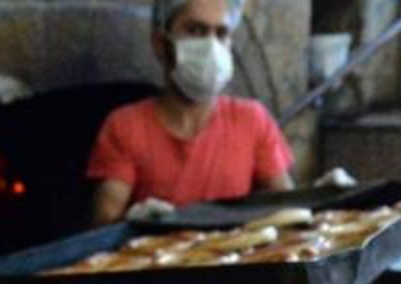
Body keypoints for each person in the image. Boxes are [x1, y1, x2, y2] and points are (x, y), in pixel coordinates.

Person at [87, 0, 295, 226]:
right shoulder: (126, 126)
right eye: (195, 30)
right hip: (159, 257)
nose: (211, 46)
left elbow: (287, 210)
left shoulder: (252, 120)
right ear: (160, 43)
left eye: (221, 33)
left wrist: (328, 197)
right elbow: (102, 224)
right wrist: (134, 222)